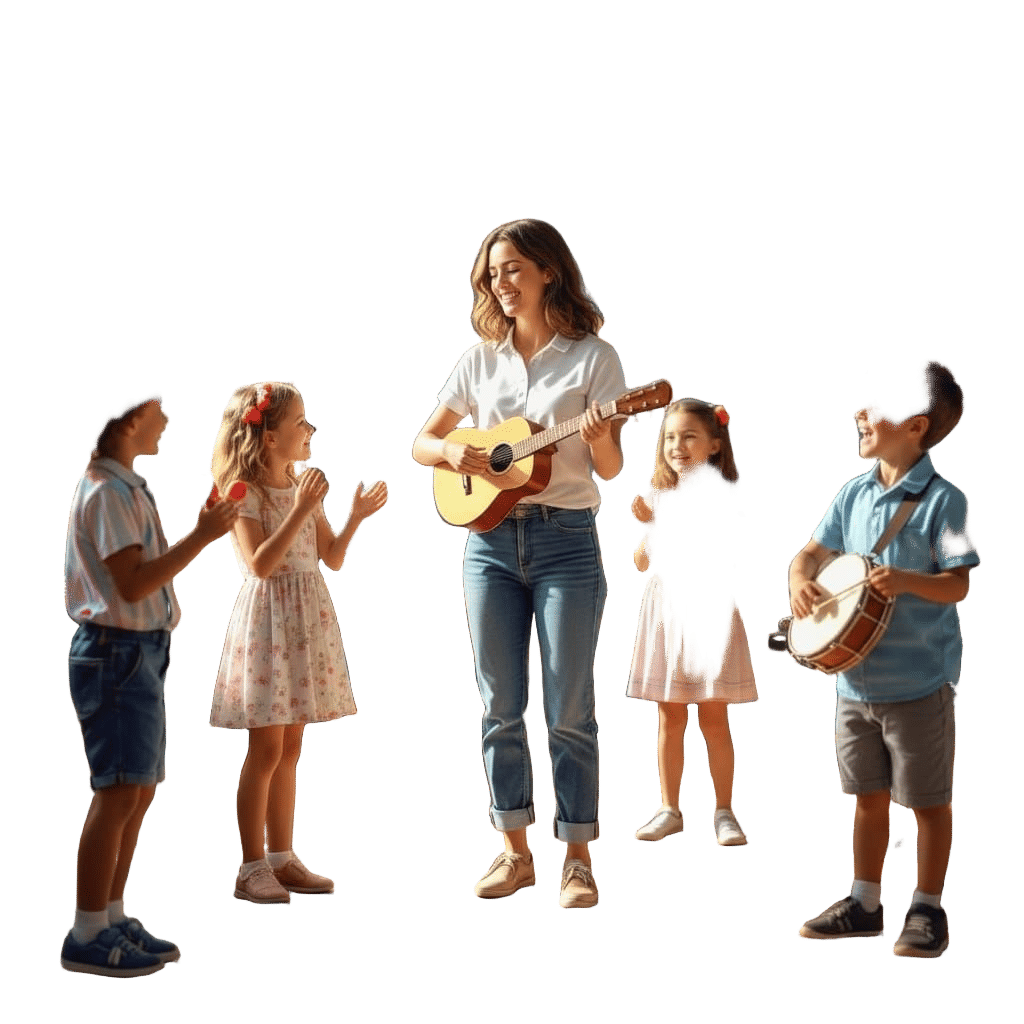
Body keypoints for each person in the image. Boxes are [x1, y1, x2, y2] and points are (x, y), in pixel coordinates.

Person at [412, 218, 627, 909]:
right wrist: (455, 453)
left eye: (514, 270)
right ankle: (514, 852)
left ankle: (577, 858)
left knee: (569, 708)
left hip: (568, 539)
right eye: (494, 273)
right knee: (499, 707)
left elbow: (612, 470)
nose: (502, 284)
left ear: (548, 272)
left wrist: (598, 438)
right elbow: (423, 442)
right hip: (489, 548)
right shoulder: (479, 361)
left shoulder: (594, 358)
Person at [790, 359, 978, 959]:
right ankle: (865, 902)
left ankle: (927, 907)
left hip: (918, 680)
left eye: (873, 408)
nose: (859, 415)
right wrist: (798, 577)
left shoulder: (945, 501)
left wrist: (906, 579)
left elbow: (958, 586)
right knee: (866, 796)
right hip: (854, 683)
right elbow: (811, 553)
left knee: (927, 801)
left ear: (916, 427)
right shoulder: (853, 491)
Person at [62, 393, 238, 976]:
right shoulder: (108, 491)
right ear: (130, 419)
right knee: (116, 792)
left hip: (140, 650)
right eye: (160, 413)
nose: (167, 422)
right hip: (117, 651)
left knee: (137, 789)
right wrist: (204, 534)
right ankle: (86, 930)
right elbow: (133, 584)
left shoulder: (127, 485)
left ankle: (110, 915)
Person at [208, 381, 388, 905]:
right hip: (268, 623)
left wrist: (353, 517)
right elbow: (260, 564)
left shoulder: (297, 481)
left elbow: (330, 556)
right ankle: (250, 866)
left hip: (303, 620)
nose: (311, 430)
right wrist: (300, 507)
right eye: (301, 423)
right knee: (265, 748)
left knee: (291, 747)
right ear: (268, 437)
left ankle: (283, 859)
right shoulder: (242, 491)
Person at [626, 399, 757, 846]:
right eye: (669, 437)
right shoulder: (659, 494)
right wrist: (649, 527)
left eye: (689, 436)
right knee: (670, 716)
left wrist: (657, 523)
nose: (676, 446)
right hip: (666, 611)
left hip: (707, 611)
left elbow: (710, 552)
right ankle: (669, 808)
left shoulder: (715, 492)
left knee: (714, 717)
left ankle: (724, 810)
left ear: (714, 446)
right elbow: (642, 563)